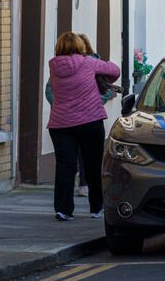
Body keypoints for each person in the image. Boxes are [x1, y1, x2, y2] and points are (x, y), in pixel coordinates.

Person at [47, 31, 120, 221]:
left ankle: (63, 209)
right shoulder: (88, 62)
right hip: (89, 121)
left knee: (65, 166)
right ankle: (97, 207)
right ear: (80, 47)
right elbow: (114, 70)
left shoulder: (54, 67)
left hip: (61, 123)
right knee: (93, 165)